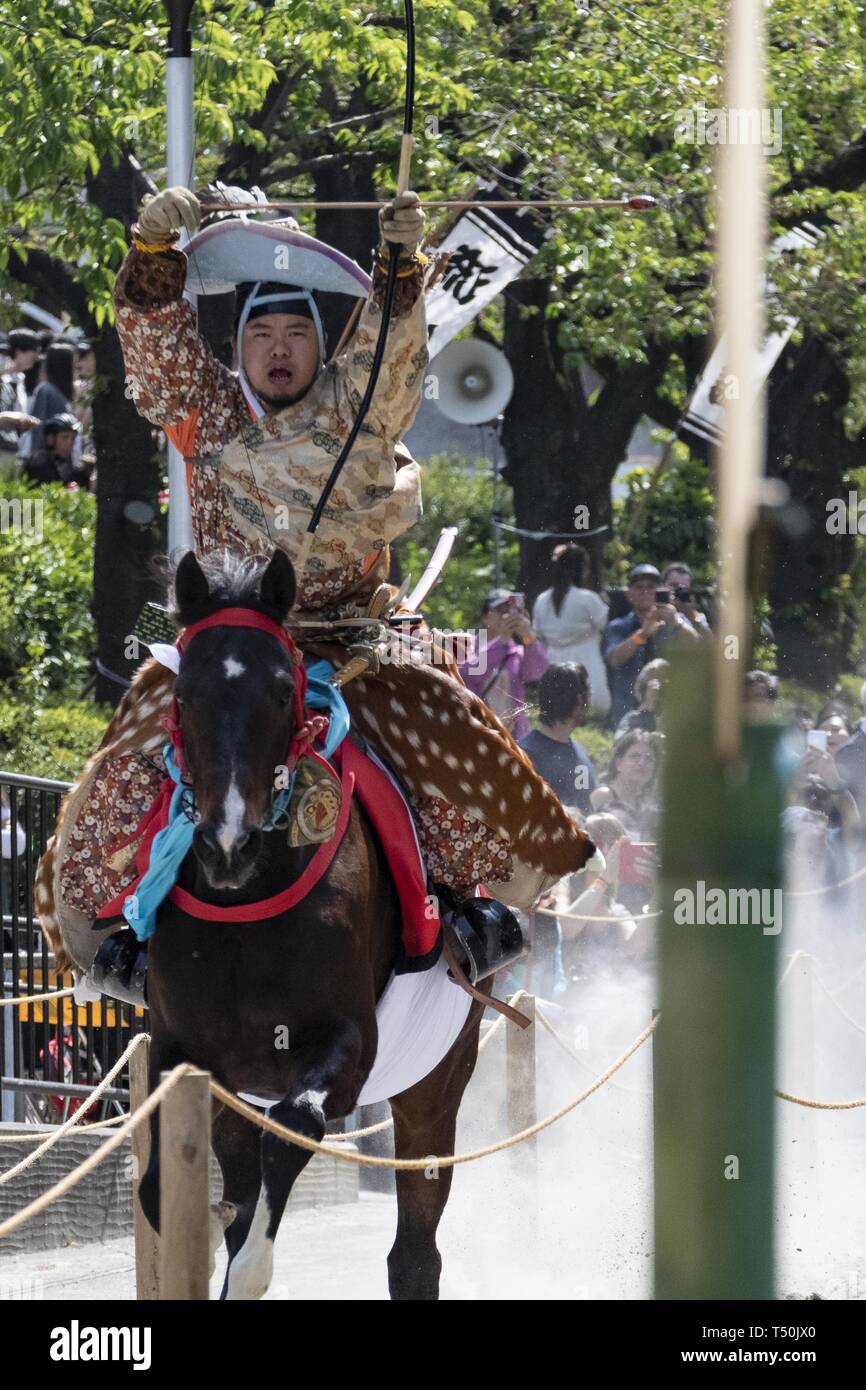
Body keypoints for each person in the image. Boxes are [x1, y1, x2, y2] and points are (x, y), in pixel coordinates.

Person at [41, 185, 593, 1003]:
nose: (277, 348)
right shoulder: (211, 409)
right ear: (239, 345)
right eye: (260, 331)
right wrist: (153, 262)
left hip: (352, 640)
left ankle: (467, 909)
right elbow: (158, 359)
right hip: (230, 640)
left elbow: (393, 355)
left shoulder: (354, 404)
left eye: (296, 331)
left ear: (318, 343)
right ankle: (121, 931)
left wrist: (400, 268)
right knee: (128, 751)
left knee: (446, 718)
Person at [603, 563, 699, 729]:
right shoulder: (618, 626)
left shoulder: (676, 621)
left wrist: (675, 624)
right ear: (629, 594)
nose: (645, 592)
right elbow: (614, 659)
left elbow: (697, 648)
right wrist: (642, 635)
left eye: (651, 587)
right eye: (639, 587)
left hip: (668, 716)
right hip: (627, 716)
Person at [459, 589, 549, 740]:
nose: (506, 616)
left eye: (511, 610)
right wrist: (501, 641)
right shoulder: (466, 644)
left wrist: (528, 636)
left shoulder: (518, 652)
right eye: (500, 610)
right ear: (486, 617)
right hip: (477, 733)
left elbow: (539, 672)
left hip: (512, 738)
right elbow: (465, 675)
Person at [531, 544, 610, 715]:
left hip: (552, 658)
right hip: (585, 656)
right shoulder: (587, 599)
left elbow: (538, 634)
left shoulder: (541, 600)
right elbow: (604, 624)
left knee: (557, 705)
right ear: (582, 568)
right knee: (591, 705)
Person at [519, 663, 596, 815]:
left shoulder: (580, 752)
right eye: (590, 695)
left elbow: (587, 811)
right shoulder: (524, 756)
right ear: (580, 700)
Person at [590, 729, 661, 840]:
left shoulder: (644, 807)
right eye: (635, 756)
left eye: (649, 758)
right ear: (618, 763)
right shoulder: (603, 796)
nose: (642, 762)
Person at [22, 342, 77, 461]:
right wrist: (36, 453)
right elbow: (37, 423)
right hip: (45, 455)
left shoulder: (56, 390)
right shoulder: (46, 389)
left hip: (56, 455)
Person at [0, 328, 40, 471]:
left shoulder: (16, 382)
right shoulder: (6, 380)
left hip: (13, 448)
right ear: (18, 351)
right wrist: (13, 418)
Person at [23, 413, 90, 487]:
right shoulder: (37, 464)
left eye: (73, 438)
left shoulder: (76, 470)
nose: (69, 443)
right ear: (50, 439)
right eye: (64, 437)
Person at [614, 657, 669, 740]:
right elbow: (620, 745)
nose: (656, 694)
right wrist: (648, 711)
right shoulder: (632, 718)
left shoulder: (670, 721)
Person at [662, 562, 712, 637]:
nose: (678, 590)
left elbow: (709, 641)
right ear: (662, 585)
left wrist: (690, 615)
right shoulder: (653, 610)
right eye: (674, 585)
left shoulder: (694, 615)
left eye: (684, 588)